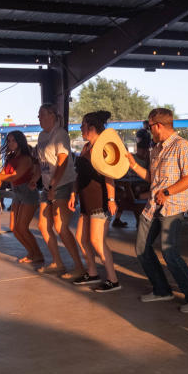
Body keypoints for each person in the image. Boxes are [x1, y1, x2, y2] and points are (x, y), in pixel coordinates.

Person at [126, 108, 188, 313]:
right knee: (141, 248)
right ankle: (162, 289)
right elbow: (152, 179)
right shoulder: (156, 149)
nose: (148, 130)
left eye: (149, 126)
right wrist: (133, 165)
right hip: (154, 206)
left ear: (158, 126)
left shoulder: (182, 147)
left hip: (173, 206)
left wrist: (168, 191)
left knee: (170, 252)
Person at [68, 111, 121, 293]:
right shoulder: (85, 148)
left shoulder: (105, 148)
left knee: (97, 241)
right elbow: (78, 175)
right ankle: (92, 273)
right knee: (82, 238)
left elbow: (110, 177)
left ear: (91, 127)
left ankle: (113, 280)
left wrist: (112, 200)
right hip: (85, 200)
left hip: (100, 200)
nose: (81, 128)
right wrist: (73, 193)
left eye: (83, 125)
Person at [35, 103, 85, 278]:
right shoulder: (42, 136)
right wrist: (36, 179)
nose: (39, 118)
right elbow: (41, 163)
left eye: (42, 115)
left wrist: (54, 186)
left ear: (52, 116)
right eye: (38, 115)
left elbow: (63, 161)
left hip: (62, 184)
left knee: (60, 226)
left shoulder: (60, 134)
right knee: (43, 224)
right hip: (48, 185)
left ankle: (79, 266)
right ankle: (57, 262)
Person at [0, 131, 44, 266]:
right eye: (8, 141)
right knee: (14, 228)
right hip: (17, 193)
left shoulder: (26, 158)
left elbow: (15, 175)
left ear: (20, 141)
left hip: (27, 192)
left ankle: (37, 254)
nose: (10, 143)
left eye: (13, 141)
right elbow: (5, 172)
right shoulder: (11, 157)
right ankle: (32, 253)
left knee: (22, 227)